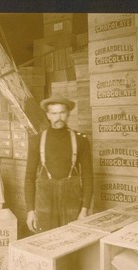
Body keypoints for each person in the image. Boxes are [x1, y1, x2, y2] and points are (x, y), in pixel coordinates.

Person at [25, 94, 93, 233]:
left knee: (72, 241)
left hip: (72, 202)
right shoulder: (36, 140)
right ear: (48, 115)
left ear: (68, 114)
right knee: (45, 242)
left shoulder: (81, 140)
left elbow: (88, 177)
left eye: (62, 113)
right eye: (54, 113)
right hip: (45, 204)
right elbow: (29, 177)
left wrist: (85, 209)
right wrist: (30, 210)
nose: (58, 117)